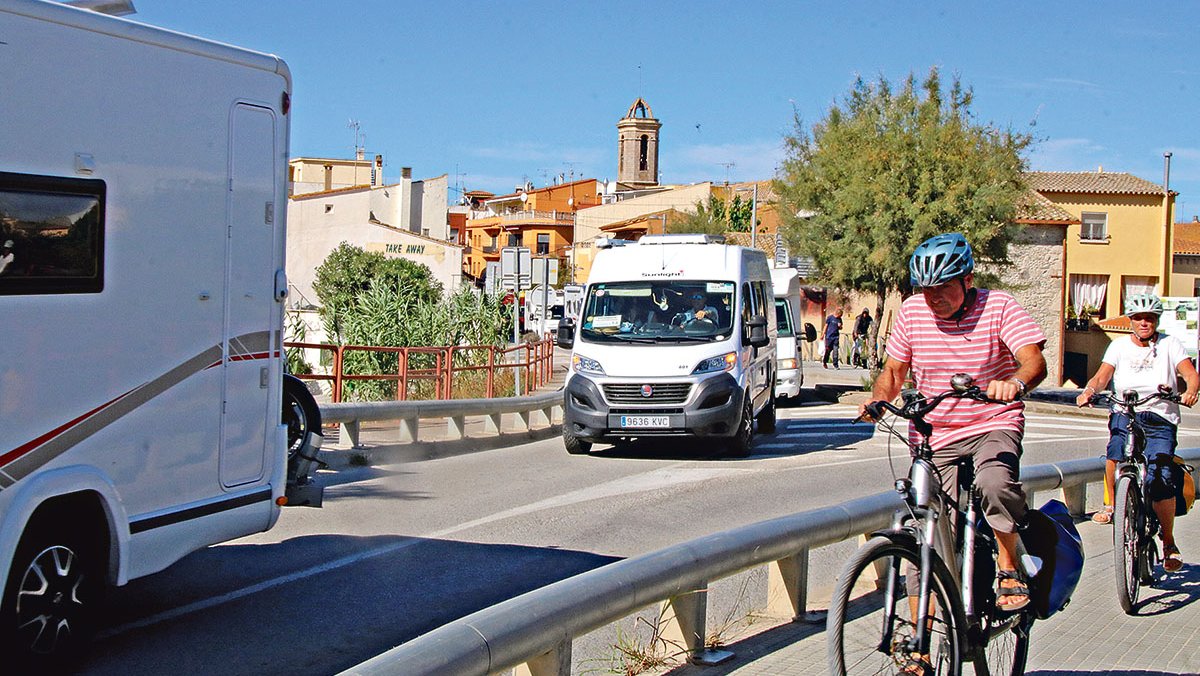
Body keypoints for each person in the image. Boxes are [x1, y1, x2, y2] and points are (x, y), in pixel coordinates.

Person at [859, 232, 1048, 612]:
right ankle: (918, 644)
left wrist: (1014, 383)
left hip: (990, 421)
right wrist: (879, 399)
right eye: (927, 289)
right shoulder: (913, 312)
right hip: (934, 434)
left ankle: (1008, 565)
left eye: (943, 287)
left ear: (968, 280)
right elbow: (894, 371)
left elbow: (1034, 362)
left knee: (995, 482)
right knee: (925, 531)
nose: (934, 298)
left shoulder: (999, 307)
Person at [1075, 293, 1198, 572]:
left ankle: (1168, 543)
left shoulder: (1170, 344)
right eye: (1140, 318)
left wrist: (1191, 389)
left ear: (1156, 321)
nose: (1145, 323)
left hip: (1159, 416)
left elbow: (1189, 373)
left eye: (1150, 318)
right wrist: (1090, 390)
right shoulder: (1118, 347)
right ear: (1131, 320)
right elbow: (1102, 375)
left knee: (1161, 477)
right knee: (1115, 453)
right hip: (1125, 411)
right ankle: (1113, 505)